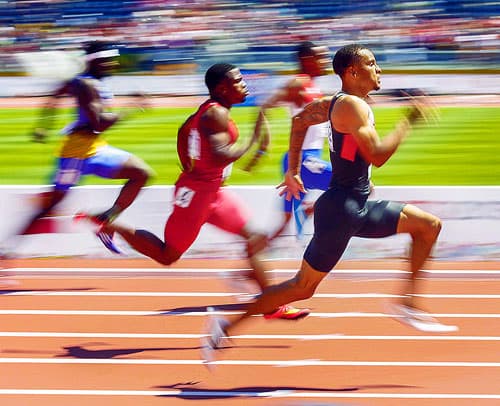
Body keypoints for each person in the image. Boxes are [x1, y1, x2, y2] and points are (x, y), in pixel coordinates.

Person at [202, 43, 455, 365]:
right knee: (300, 287)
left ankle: (407, 303)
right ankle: (225, 326)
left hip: (355, 205)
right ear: (352, 72)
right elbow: (377, 156)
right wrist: (408, 122)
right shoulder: (351, 106)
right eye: (372, 63)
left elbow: (299, 121)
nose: (379, 70)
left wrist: (293, 171)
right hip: (341, 211)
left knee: (428, 226)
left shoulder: (335, 103)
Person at [81, 63, 310, 320]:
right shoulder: (216, 115)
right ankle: (114, 226)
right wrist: (253, 139)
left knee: (254, 237)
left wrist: (190, 166)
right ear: (222, 88)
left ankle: (271, 304)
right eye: (238, 81)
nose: (244, 84)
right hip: (197, 194)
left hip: (213, 191)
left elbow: (184, 131)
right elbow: (218, 155)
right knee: (168, 255)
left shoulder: (209, 112)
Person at [1, 41, 153, 285]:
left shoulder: (80, 81)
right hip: (76, 155)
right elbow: (98, 124)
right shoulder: (87, 85)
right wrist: (131, 108)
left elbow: (53, 98)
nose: (113, 64)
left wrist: (43, 126)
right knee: (49, 207)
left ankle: (105, 219)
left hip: (95, 149)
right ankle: (5, 255)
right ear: (94, 61)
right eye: (108, 60)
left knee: (141, 173)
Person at [246, 41, 332, 240]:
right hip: (303, 161)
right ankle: (309, 211)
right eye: (321, 57)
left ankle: (252, 259)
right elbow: (264, 106)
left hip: (307, 160)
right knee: (352, 186)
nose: (326, 62)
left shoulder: (312, 86)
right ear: (307, 60)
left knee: (283, 223)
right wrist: (261, 147)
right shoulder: (298, 84)